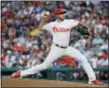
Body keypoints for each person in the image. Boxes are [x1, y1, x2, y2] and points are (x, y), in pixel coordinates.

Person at [11, 9, 103, 85]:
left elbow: (79, 23)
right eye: (62, 13)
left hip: (67, 48)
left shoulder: (69, 22)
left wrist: (87, 28)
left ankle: (92, 79)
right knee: (44, 65)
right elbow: (40, 28)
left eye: (64, 12)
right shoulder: (52, 25)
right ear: (57, 15)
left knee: (83, 59)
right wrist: (43, 19)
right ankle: (21, 73)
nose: (64, 14)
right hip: (56, 48)